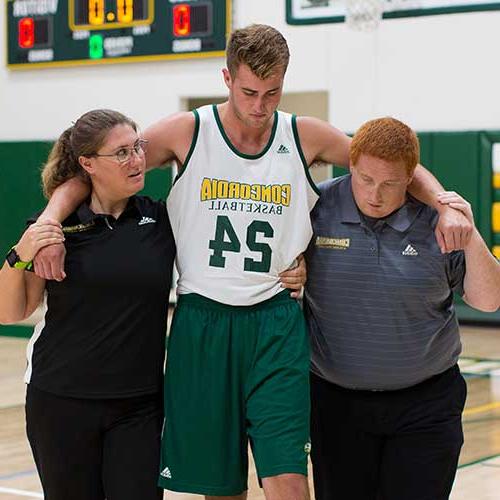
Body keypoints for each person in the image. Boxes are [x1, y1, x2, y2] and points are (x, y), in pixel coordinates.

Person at [33, 25, 472, 500]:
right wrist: (50, 224)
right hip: (203, 320)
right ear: (226, 78)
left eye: (272, 92)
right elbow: (95, 169)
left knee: (287, 479)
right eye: (248, 92)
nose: (260, 106)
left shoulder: (303, 134)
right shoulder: (188, 131)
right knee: (221, 488)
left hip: (275, 322)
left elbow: (390, 163)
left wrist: (446, 203)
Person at [304, 117, 500, 500]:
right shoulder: (316, 209)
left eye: (390, 184)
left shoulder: (437, 223)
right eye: (365, 179)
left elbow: (489, 300)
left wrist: (470, 231)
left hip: (426, 406)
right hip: (336, 405)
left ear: (411, 178)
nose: (374, 194)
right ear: (351, 166)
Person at [0, 109, 177, 500]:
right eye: (121, 153)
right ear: (87, 164)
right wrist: (20, 253)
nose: (136, 161)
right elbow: (10, 312)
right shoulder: (53, 229)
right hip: (61, 401)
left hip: (140, 406)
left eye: (138, 148)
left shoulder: (160, 219)